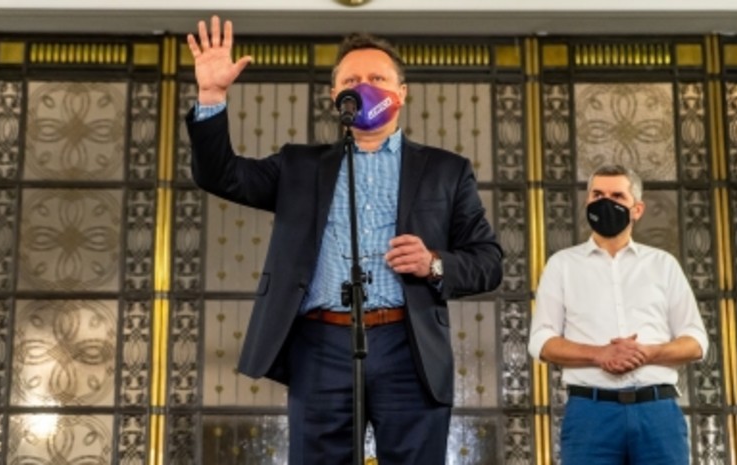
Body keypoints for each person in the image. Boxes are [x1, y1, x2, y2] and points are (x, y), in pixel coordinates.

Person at [185, 16, 504, 465]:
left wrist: (433, 262)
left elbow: (488, 262)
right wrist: (212, 96)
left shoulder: (446, 170)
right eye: (352, 81)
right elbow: (221, 175)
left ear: (402, 92)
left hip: (409, 347)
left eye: (378, 78)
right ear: (335, 96)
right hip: (320, 346)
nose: (364, 87)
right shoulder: (299, 165)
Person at [528, 164, 708, 465]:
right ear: (587, 202)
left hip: (658, 412)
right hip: (590, 414)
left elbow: (696, 342)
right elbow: (541, 341)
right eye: (597, 195)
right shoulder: (562, 265)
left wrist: (647, 353)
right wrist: (600, 354)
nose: (605, 202)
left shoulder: (663, 264)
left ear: (637, 209)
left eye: (617, 196)